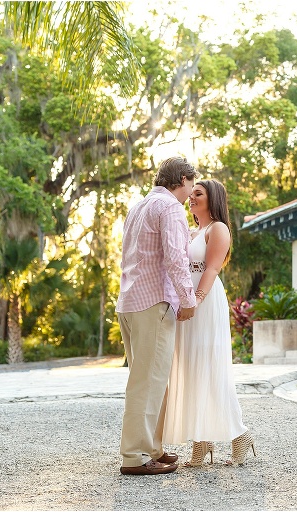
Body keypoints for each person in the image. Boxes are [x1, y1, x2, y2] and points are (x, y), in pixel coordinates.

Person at [163, 179, 256, 467]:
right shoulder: (192, 231)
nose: (191, 197)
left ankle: (240, 435)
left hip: (204, 303)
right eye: (191, 193)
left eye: (198, 193)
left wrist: (196, 301)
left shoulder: (218, 229)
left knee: (210, 367)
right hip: (186, 303)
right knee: (189, 368)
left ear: (212, 198)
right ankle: (201, 443)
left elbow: (213, 267)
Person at [116, 156, 199, 476]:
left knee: (151, 381)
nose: (192, 192)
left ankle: (153, 447)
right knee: (147, 383)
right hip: (153, 305)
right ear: (181, 179)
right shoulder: (170, 209)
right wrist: (187, 299)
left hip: (130, 302)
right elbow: (175, 258)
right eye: (192, 184)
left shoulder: (138, 207)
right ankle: (135, 456)